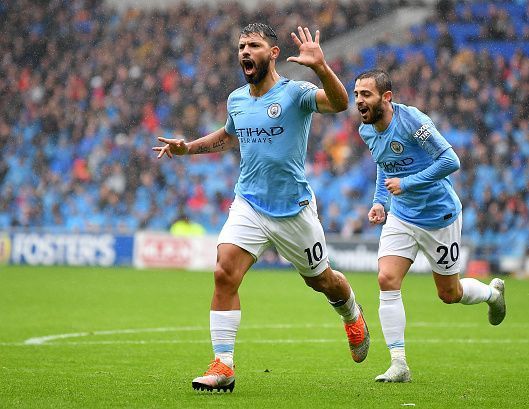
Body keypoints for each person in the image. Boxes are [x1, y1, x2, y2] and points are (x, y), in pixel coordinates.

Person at [153, 23, 369, 393]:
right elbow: (227, 135)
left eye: (253, 45)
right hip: (249, 203)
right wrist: (187, 148)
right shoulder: (236, 99)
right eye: (240, 46)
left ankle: (350, 312)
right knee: (224, 272)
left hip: (293, 209)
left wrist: (320, 67)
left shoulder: (296, 93)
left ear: (272, 53)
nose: (244, 52)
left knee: (321, 281)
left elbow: (339, 103)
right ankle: (223, 365)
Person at [353, 69, 506, 383]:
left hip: (439, 217)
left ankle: (492, 294)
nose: (359, 101)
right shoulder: (366, 131)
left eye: (365, 94)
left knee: (450, 293)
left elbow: (451, 161)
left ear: (387, 97)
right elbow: (384, 167)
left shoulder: (413, 122)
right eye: (356, 95)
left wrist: (407, 184)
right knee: (386, 278)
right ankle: (399, 364)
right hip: (402, 216)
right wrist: (379, 201)